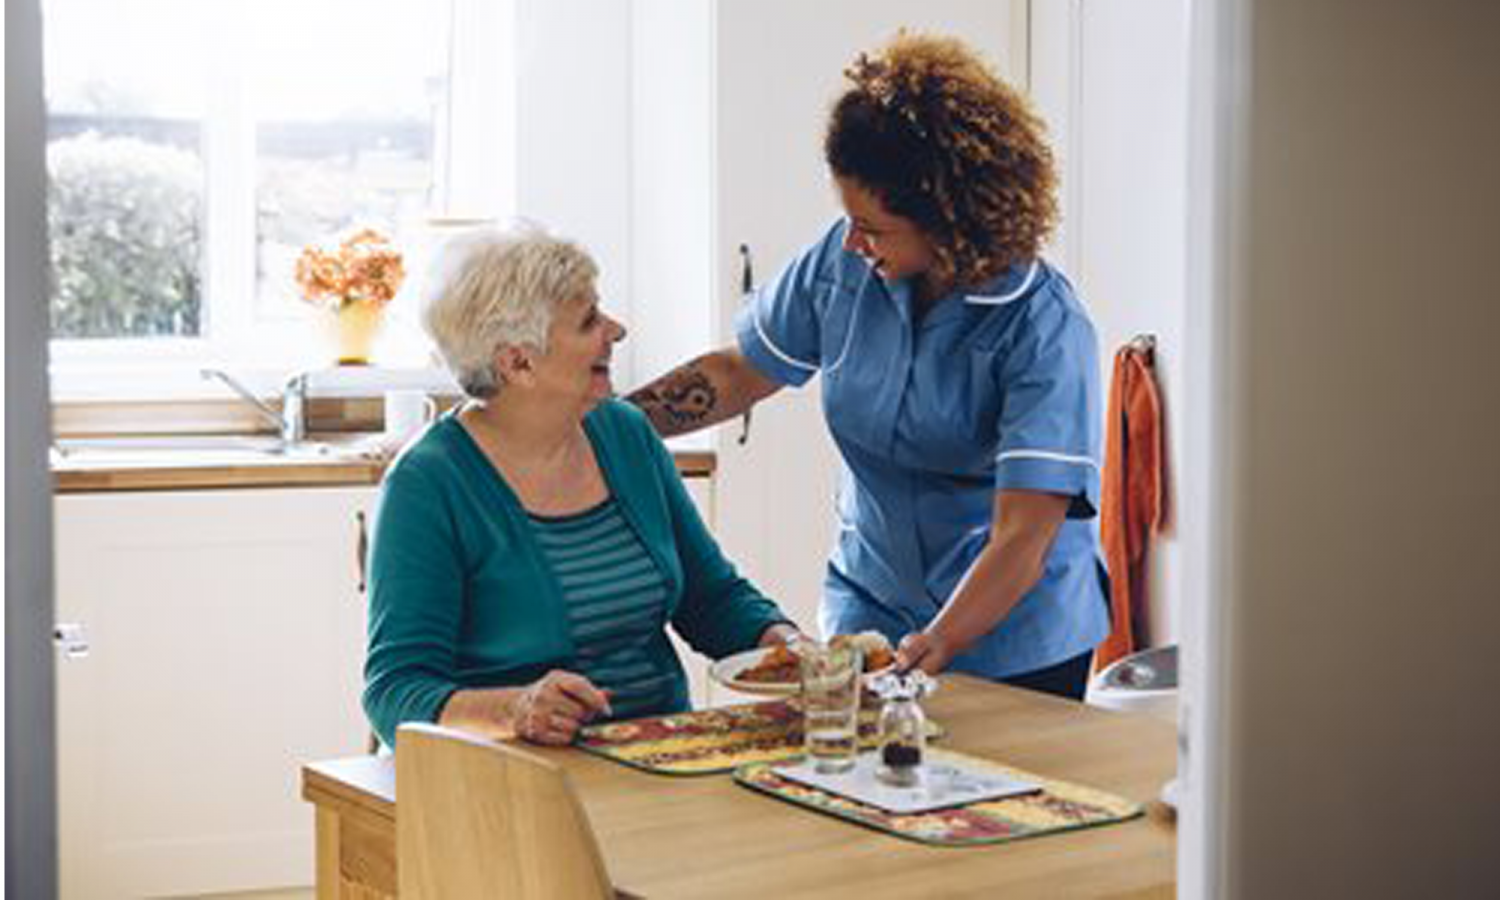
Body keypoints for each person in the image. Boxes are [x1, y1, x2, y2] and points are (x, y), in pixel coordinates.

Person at [628, 33, 1108, 700]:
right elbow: (740, 372)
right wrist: (609, 423)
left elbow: (1024, 534)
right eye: (848, 219)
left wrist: (940, 641)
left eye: (874, 228)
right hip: (871, 607)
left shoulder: (1044, 327)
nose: (854, 241)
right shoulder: (844, 260)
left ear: (948, 218)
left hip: (1013, 637)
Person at [363, 224, 799, 747]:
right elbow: (395, 692)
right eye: (589, 320)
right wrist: (517, 709)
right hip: (515, 779)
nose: (616, 330)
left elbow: (711, 599)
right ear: (517, 361)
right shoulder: (429, 483)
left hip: (661, 757)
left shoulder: (625, 433)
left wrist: (788, 646)